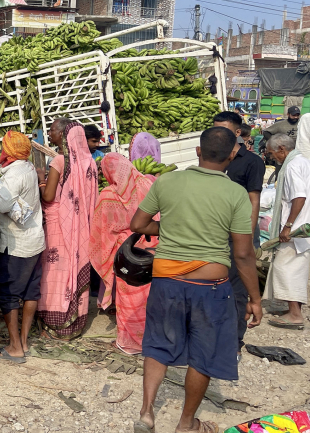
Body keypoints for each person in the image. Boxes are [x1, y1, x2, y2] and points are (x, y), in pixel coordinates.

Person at [130, 127, 262, 433]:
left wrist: (173, 228)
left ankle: (147, 413)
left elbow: (137, 224)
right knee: (204, 354)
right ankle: (186, 424)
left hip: (165, 283)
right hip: (210, 288)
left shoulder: (168, 180)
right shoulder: (235, 194)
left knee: (157, 344)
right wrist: (255, 299)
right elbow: (243, 254)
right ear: (232, 155)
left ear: (198, 151)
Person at [89, 153, 158, 354]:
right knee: (149, 295)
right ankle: (152, 339)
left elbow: (101, 229)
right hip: (151, 246)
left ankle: (131, 342)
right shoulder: (147, 184)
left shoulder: (108, 195)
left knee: (128, 298)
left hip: (127, 252)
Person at [35, 118, 98, 339]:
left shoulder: (59, 162)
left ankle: (55, 323)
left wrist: (42, 181)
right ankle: (75, 323)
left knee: (55, 274)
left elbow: (49, 196)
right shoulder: (89, 161)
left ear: (62, 135)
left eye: (51, 130)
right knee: (72, 268)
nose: (49, 133)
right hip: (80, 227)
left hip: (57, 224)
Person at [213, 111, 266, 356]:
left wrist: (248, 233)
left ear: (236, 133)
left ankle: (233, 342)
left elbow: (253, 198)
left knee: (237, 287)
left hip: (239, 233)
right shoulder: (214, 158)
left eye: (223, 130)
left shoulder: (251, 162)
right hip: (215, 234)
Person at [0, 132, 44, 363]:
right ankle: (23, 341)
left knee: (9, 294)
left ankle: (14, 347)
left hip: (16, 244)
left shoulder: (13, 174)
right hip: (35, 239)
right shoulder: (29, 167)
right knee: (31, 292)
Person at [264, 128, 310, 330]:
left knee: (286, 269)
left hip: (295, 229)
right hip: (303, 227)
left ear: (281, 149)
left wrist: (288, 226)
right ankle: (293, 310)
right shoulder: (303, 161)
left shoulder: (291, 167)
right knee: (296, 270)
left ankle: (294, 314)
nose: (272, 158)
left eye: (272, 154)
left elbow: (299, 196)